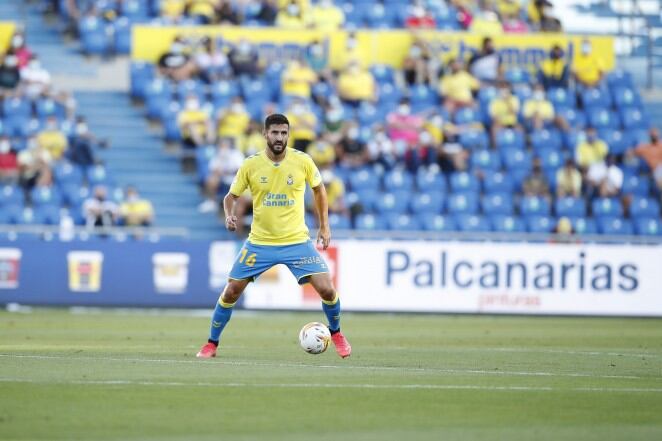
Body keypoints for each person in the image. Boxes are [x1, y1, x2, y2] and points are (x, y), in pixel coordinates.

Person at [196, 114, 352, 359]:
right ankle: (211, 344)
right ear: (265, 134)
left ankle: (337, 334)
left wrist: (324, 226)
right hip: (260, 243)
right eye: (275, 133)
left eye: (283, 133)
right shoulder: (251, 164)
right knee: (231, 291)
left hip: (296, 241)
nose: (279, 137)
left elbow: (319, 190)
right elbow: (230, 197)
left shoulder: (302, 161)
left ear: (288, 135)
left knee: (328, 290)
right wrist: (229, 215)